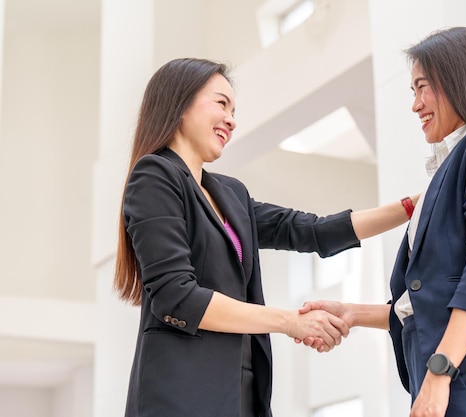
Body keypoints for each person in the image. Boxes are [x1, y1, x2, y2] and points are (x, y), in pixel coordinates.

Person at [113, 57, 419, 417]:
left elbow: (312, 230)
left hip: (240, 390)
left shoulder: (231, 194)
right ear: (179, 105)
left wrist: (414, 206)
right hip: (180, 394)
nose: (231, 119)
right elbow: (176, 297)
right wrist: (290, 321)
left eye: (234, 109)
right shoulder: (154, 176)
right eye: (221, 103)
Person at [299, 27, 466, 417]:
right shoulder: (447, 167)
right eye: (413, 90)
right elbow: (428, 298)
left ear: (460, 80)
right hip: (447, 368)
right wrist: (353, 313)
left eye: (422, 87)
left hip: (465, 369)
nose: (416, 105)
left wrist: (440, 371)